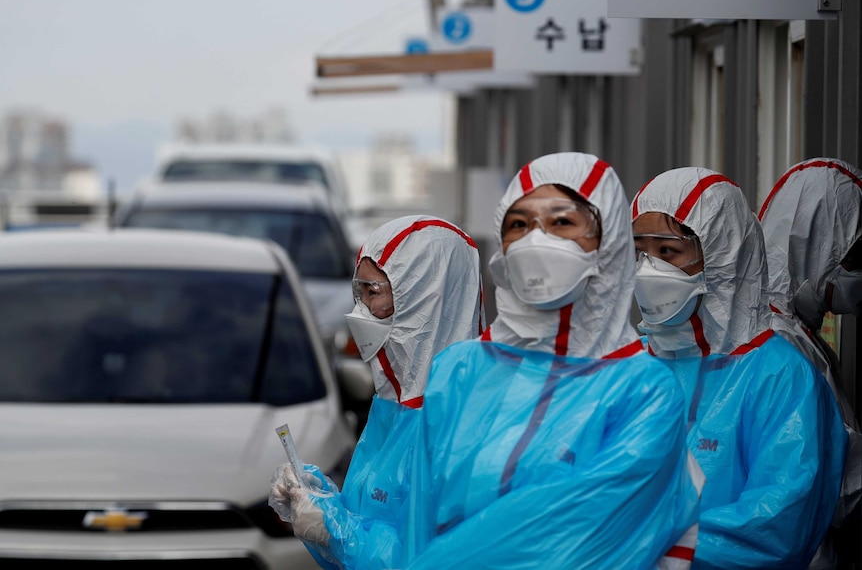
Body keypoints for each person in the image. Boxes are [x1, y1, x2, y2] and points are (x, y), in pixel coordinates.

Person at [402, 153, 702, 569]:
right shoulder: (459, 371)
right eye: (518, 225)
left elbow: (571, 544)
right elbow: (417, 522)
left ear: (609, 243)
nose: (535, 241)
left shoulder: (644, 390)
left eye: (562, 222)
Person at [630, 166, 847, 569]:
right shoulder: (633, 367)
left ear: (720, 255)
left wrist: (649, 549)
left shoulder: (779, 377)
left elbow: (775, 530)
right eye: (640, 252)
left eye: (667, 252)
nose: (648, 269)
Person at [269, 215, 485, 570]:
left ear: (424, 297)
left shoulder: (463, 424)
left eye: (373, 292)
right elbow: (367, 526)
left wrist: (335, 530)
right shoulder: (392, 409)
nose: (360, 312)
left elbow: (430, 561)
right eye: (358, 293)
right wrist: (318, 500)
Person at [758, 157, 861, 569]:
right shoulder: (781, 341)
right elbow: (839, 485)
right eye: (853, 258)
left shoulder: (786, 328)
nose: (856, 273)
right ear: (816, 246)